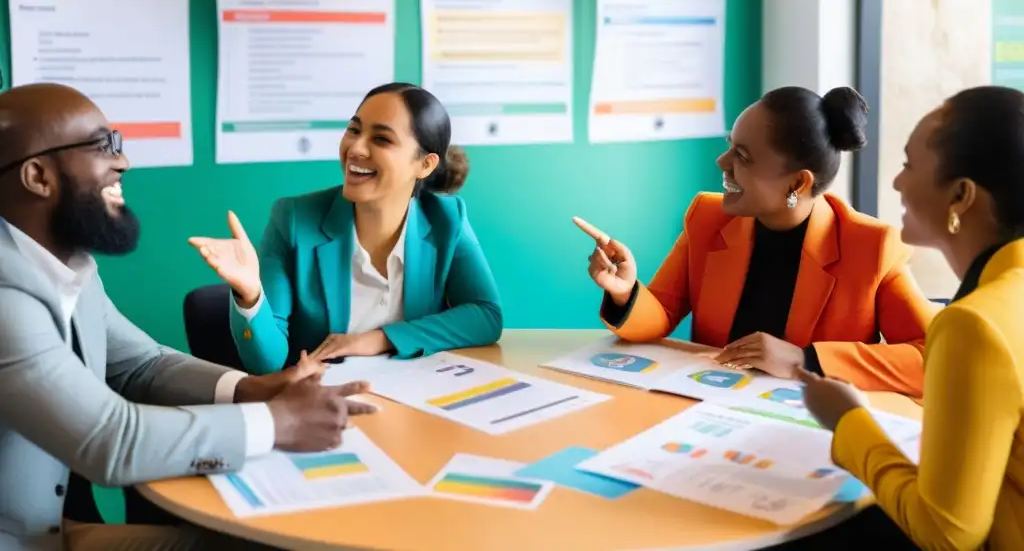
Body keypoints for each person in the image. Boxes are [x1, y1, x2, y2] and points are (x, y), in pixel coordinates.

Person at [0, 83, 377, 551]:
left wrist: (254, 389)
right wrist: (278, 423)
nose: (123, 162)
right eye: (103, 146)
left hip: (53, 529)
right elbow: (110, 440)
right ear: (38, 177)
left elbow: (142, 364)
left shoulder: (62, 263)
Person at [576, 86, 938, 396]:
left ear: (798, 184)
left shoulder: (871, 248)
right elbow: (662, 314)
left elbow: (933, 360)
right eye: (730, 145)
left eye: (743, 156)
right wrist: (625, 292)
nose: (722, 161)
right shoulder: (707, 218)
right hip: (708, 415)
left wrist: (804, 360)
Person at [799, 86, 1024, 550]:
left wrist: (848, 422)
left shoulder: (974, 325)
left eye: (908, 165)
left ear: (961, 195)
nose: (898, 183)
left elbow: (946, 533)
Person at [190, 82, 503, 375]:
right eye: (354, 130)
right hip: (325, 404)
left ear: (425, 165)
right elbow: (266, 365)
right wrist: (250, 295)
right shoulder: (294, 219)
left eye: (381, 139)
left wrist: (378, 339)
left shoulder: (447, 219)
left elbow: (485, 315)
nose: (356, 148)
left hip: (412, 399)